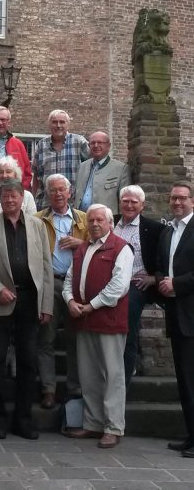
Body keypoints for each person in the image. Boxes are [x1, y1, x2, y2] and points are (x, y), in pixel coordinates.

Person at [0, 179, 53, 440]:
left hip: (29, 300)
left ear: (22, 198)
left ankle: (23, 418)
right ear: (0, 199)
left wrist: (46, 304)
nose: (10, 200)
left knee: (28, 361)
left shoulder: (37, 225)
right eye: (5, 196)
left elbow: (46, 267)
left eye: (14, 196)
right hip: (0, 302)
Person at [63, 204, 133, 448]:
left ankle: (113, 427)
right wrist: (70, 301)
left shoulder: (121, 248)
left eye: (99, 220)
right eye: (91, 220)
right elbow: (69, 280)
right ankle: (93, 423)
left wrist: (91, 305)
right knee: (88, 374)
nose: (94, 224)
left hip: (108, 320)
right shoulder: (83, 248)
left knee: (112, 375)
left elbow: (119, 286)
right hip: (84, 320)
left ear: (110, 223)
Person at [35, 174, 88, 409]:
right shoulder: (37, 219)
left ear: (69, 193)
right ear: (47, 194)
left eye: (61, 190)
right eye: (53, 190)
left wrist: (81, 244)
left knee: (75, 339)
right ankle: (48, 388)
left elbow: (100, 246)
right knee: (45, 338)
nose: (57, 194)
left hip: (77, 285)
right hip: (50, 284)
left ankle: (74, 387)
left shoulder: (84, 219)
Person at [156, 181, 194, 457]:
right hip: (176, 315)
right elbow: (161, 266)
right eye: (173, 198)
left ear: (192, 201)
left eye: (182, 198)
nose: (177, 202)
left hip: (192, 314)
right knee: (184, 380)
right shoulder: (169, 231)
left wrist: (176, 284)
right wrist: (162, 281)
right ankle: (191, 435)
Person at [113, 185, 165, 387]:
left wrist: (154, 278)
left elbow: (165, 258)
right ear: (119, 203)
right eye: (125, 201)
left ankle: (123, 380)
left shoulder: (154, 229)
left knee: (126, 324)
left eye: (134, 202)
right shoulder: (110, 223)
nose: (129, 205)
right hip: (110, 282)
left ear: (142, 205)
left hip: (136, 284)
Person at [32, 109, 89, 209]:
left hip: (73, 205)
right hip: (46, 205)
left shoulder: (79, 142)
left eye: (62, 122)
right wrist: (33, 201)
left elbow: (92, 168)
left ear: (68, 125)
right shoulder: (41, 145)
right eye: (54, 122)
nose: (58, 125)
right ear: (49, 125)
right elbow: (36, 176)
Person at [74, 132, 130, 214]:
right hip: (80, 218)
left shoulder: (121, 169)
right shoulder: (82, 167)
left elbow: (124, 200)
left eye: (100, 142)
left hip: (105, 219)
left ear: (108, 146)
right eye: (93, 143)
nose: (96, 145)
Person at [0, 106, 32, 190]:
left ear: (9, 122)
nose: (0, 123)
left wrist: (21, 191)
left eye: (3, 120)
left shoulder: (18, 144)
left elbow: (27, 173)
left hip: (12, 193)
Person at [0, 156, 36, 223]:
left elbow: (33, 223)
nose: (4, 175)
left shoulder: (27, 196)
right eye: (0, 172)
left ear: (15, 175)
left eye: (8, 172)